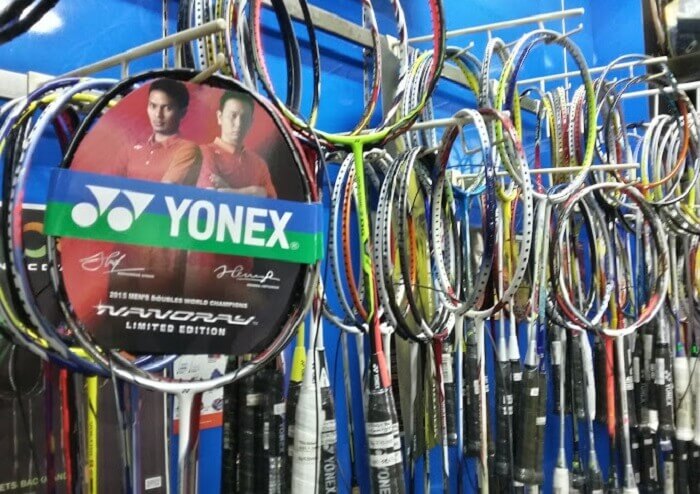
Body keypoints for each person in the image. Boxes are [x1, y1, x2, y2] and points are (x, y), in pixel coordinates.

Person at [111, 79, 202, 295]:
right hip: (124, 252)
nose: (158, 115)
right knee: (115, 312)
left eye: (167, 108)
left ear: (182, 112)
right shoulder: (131, 149)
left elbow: (164, 192)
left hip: (162, 257)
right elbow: (110, 191)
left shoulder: (188, 150)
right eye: (153, 106)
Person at [186, 90, 278, 300]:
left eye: (244, 118)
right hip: (201, 270)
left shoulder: (259, 164)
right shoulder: (202, 153)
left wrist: (231, 191)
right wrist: (253, 193)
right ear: (220, 117)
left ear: (251, 123)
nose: (238, 124)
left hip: (242, 270)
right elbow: (213, 201)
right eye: (233, 116)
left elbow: (272, 208)